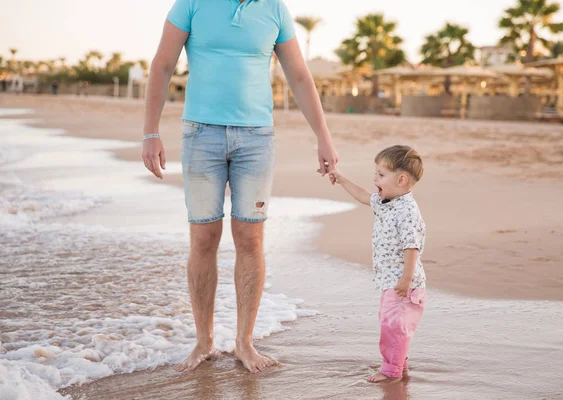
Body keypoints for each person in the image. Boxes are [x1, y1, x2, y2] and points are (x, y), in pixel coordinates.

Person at [141, 0, 339, 374]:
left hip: (256, 140)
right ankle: (204, 342)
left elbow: (299, 76)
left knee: (250, 239)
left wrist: (323, 137)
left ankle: (244, 344)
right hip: (201, 136)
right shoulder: (191, 4)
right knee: (203, 239)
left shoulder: (275, 10)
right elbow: (163, 64)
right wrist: (151, 132)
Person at [328, 145, 427, 383]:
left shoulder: (406, 211)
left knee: (394, 327)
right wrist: (341, 179)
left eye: (381, 175)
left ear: (402, 179)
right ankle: (398, 365)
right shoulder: (387, 202)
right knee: (391, 324)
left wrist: (405, 279)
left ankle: (391, 371)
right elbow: (363, 195)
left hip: (404, 284)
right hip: (390, 281)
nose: (375, 178)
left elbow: (411, 247)